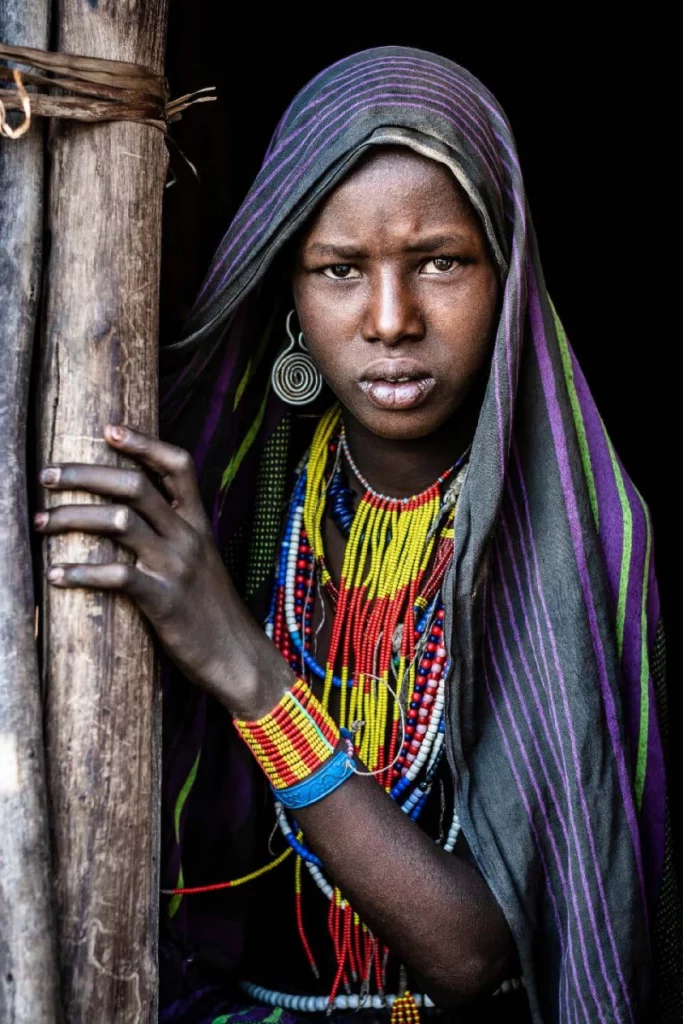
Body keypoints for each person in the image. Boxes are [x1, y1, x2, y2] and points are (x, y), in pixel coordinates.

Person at [35, 46, 681, 1024]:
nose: (390, 319)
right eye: (338, 270)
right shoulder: (240, 493)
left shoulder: (579, 540)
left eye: (440, 262)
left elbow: (469, 952)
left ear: (505, 274)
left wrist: (243, 664)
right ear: (286, 287)